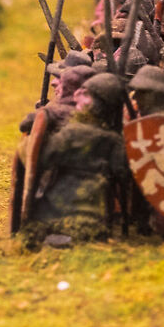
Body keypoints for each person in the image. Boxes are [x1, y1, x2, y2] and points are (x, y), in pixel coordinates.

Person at [19, 72, 130, 249]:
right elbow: (123, 176)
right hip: (96, 216)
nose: (77, 95)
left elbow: (43, 158)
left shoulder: (72, 134)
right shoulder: (114, 141)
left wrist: (30, 139)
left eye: (85, 94)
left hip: (58, 212)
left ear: (99, 104)